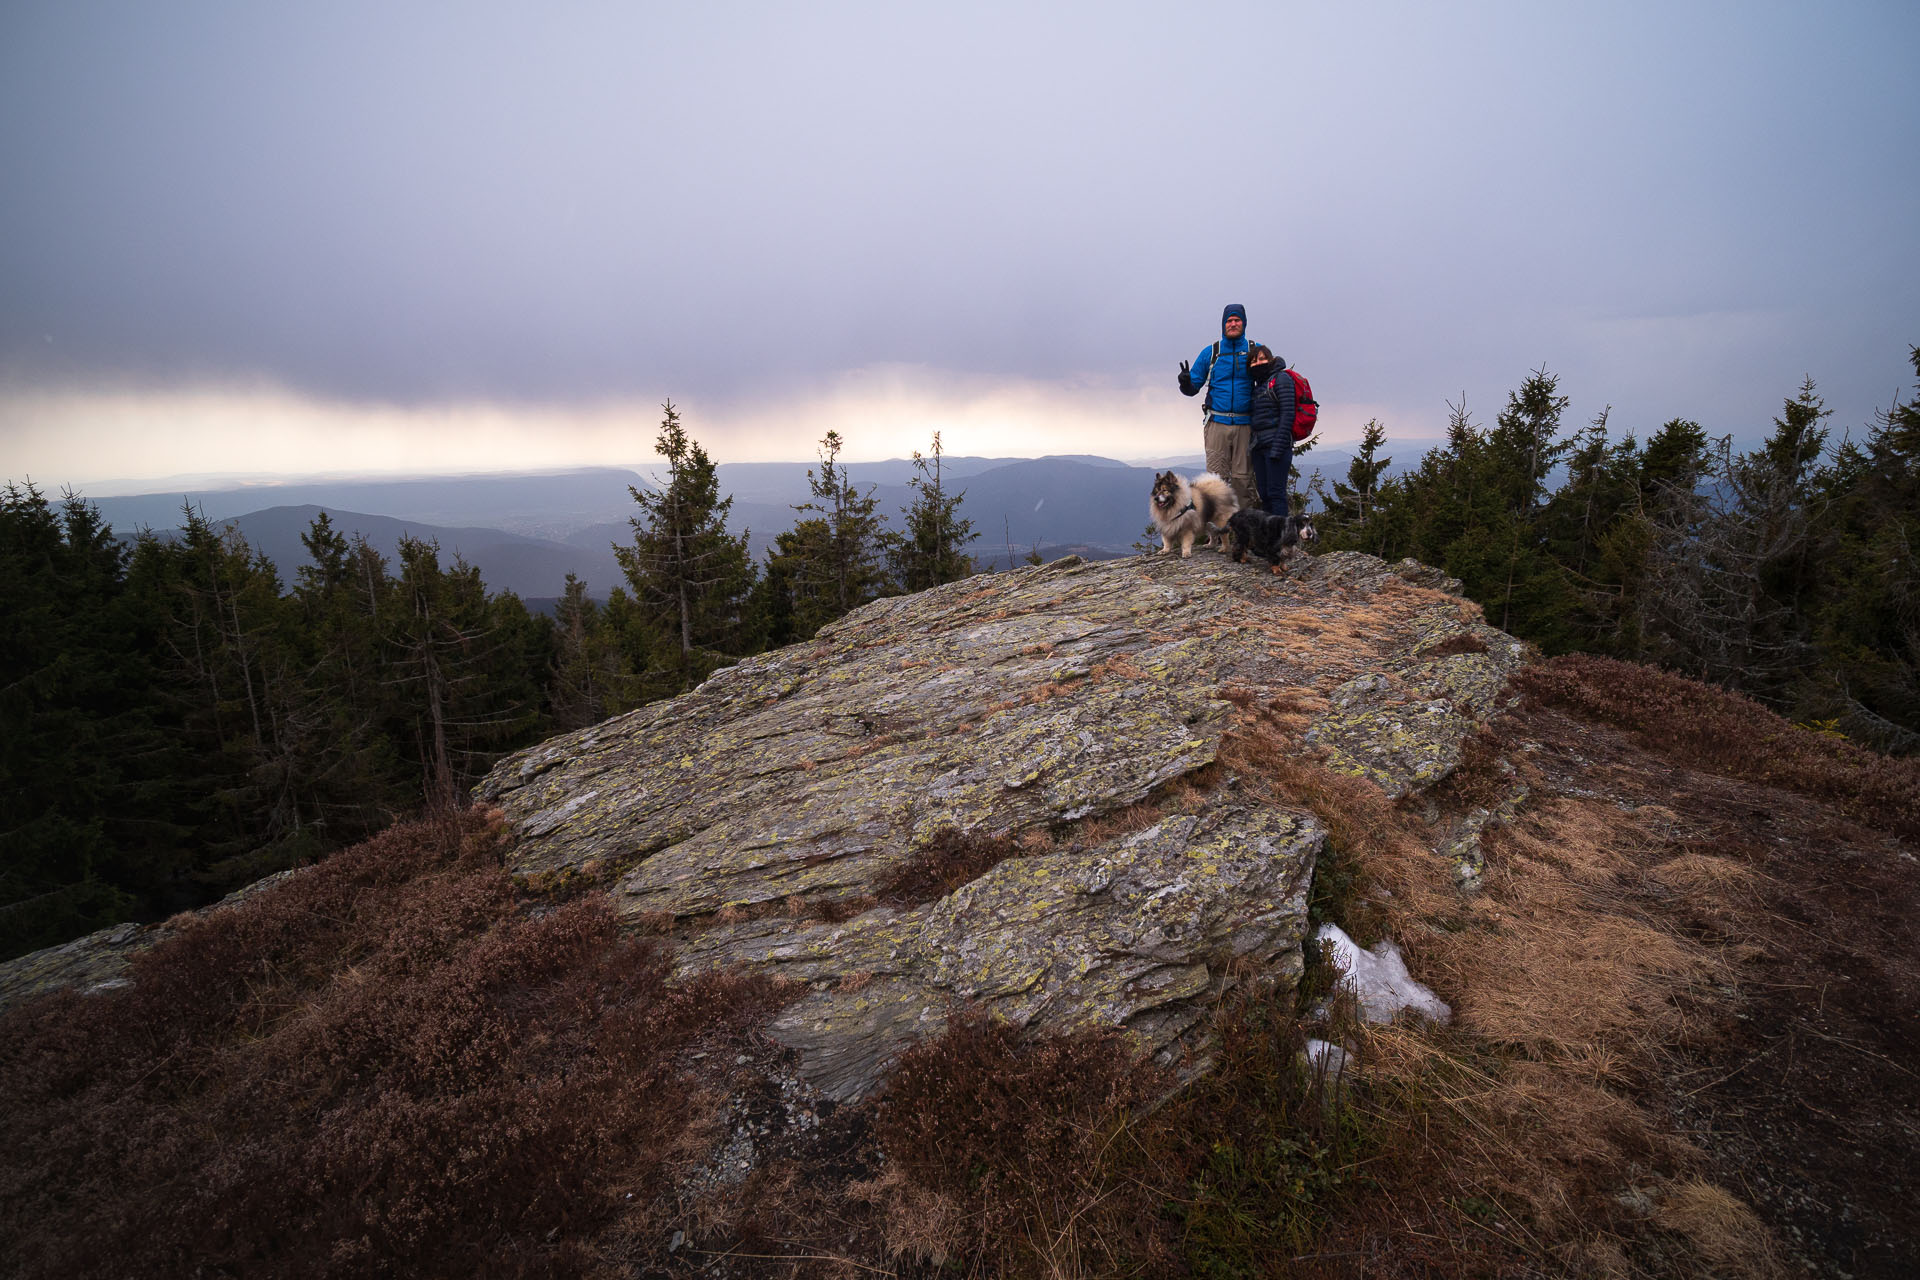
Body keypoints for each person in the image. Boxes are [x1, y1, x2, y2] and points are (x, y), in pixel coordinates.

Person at [1178, 304, 1259, 510]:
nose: (1233, 324)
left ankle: (1244, 532)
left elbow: (1268, 379)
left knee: (1243, 481)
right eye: (1229, 321)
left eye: (1237, 320)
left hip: (1246, 424)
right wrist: (1185, 383)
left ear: (1244, 323)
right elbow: (1193, 387)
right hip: (1217, 423)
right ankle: (1217, 535)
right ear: (1223, 325)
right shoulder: (1211, 352)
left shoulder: (1253, 350)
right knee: (1215, 482)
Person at [1245, 344, 1296, 517]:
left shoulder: (1281, 379)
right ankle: (1270, 537)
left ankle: (1284, 538)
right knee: (1265, 495)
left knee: (1276, 494)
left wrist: (1278, 447)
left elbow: (1288, 413)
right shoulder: (1259, 385)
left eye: (1261, 358)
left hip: (1277, 445)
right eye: (1253, 361)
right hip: (1259, 447)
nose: (1257, 363)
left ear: (1270, 359)